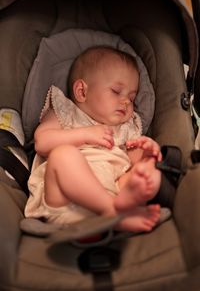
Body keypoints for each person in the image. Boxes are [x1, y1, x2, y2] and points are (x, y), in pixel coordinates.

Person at [25, 46, 162, 232]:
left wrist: (146, 151)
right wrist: (85, 134)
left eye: (132, 97)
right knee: (63, 156)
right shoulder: (66, 113)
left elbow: (132, 158)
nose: (126, 102)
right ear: (82, 91)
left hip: (113, 188)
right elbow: (42, 143)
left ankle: (123, 202)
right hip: (64, 202)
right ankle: (113, 212)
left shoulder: (127, 126)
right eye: (116, 91)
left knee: (150, 168)